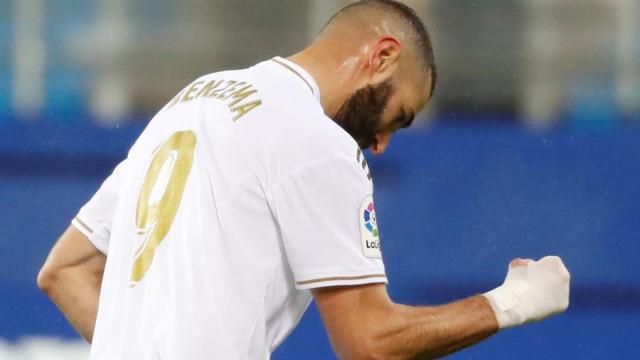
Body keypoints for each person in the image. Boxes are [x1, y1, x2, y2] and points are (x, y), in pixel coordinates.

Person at [37, 0, 570, 359]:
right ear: (382, 56)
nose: (382, 143)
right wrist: (511, 301)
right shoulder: (319, 141)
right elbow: (369, 341)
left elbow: (65, 270)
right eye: (397, 116)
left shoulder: (192, 99)